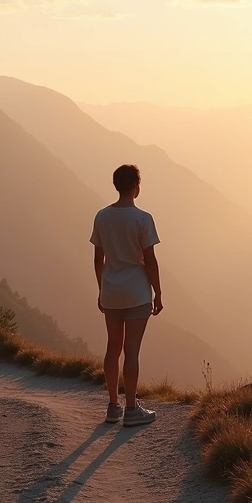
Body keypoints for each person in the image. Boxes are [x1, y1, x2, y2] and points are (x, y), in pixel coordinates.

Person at [90, 164, 163, 427]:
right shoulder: (143, 219)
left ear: (116, 185)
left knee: (113, 348)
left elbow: (98, 259)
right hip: (137, 292)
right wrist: (158, 292)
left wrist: (102, 289)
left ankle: (113, 406)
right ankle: (131, 409)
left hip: (111, 290)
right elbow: (150, 260)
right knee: (131, 351)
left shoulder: (102, 216)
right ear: (136, 186)